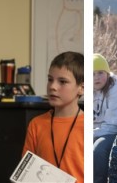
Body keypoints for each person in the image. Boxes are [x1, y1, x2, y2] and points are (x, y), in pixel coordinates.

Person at [22, 51, 85, 183]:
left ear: (82, 88)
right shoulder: (36, 124)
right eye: (50, 79)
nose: (53, 87)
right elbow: (25, 174)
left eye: (62, 82)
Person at [92, 53, 117, 183]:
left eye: (100, 73)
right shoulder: (90, 90)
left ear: (107, 73)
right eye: (92, 74)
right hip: (97, 130)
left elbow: (112, 125)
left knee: (98, 150)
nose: (96, 78)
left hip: (114, 132)